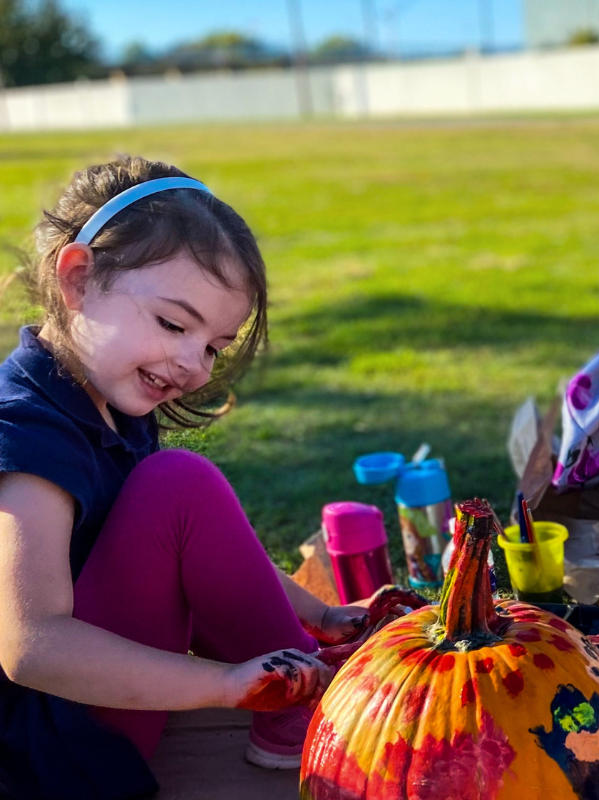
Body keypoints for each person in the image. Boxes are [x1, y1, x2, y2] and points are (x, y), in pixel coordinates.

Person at [0, 157, 408, 800]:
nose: (193, 363)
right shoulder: (25, 432)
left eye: (215, 345)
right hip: (48, 753)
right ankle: (293, 714)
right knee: (178, 485)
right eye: (172, 323)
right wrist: (224, 687)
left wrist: (321, 615)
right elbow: (31, 645)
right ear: (79, 279)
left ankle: (300, 676)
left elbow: (204, 555)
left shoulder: (109, 397)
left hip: (95, 714)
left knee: (176, 489)